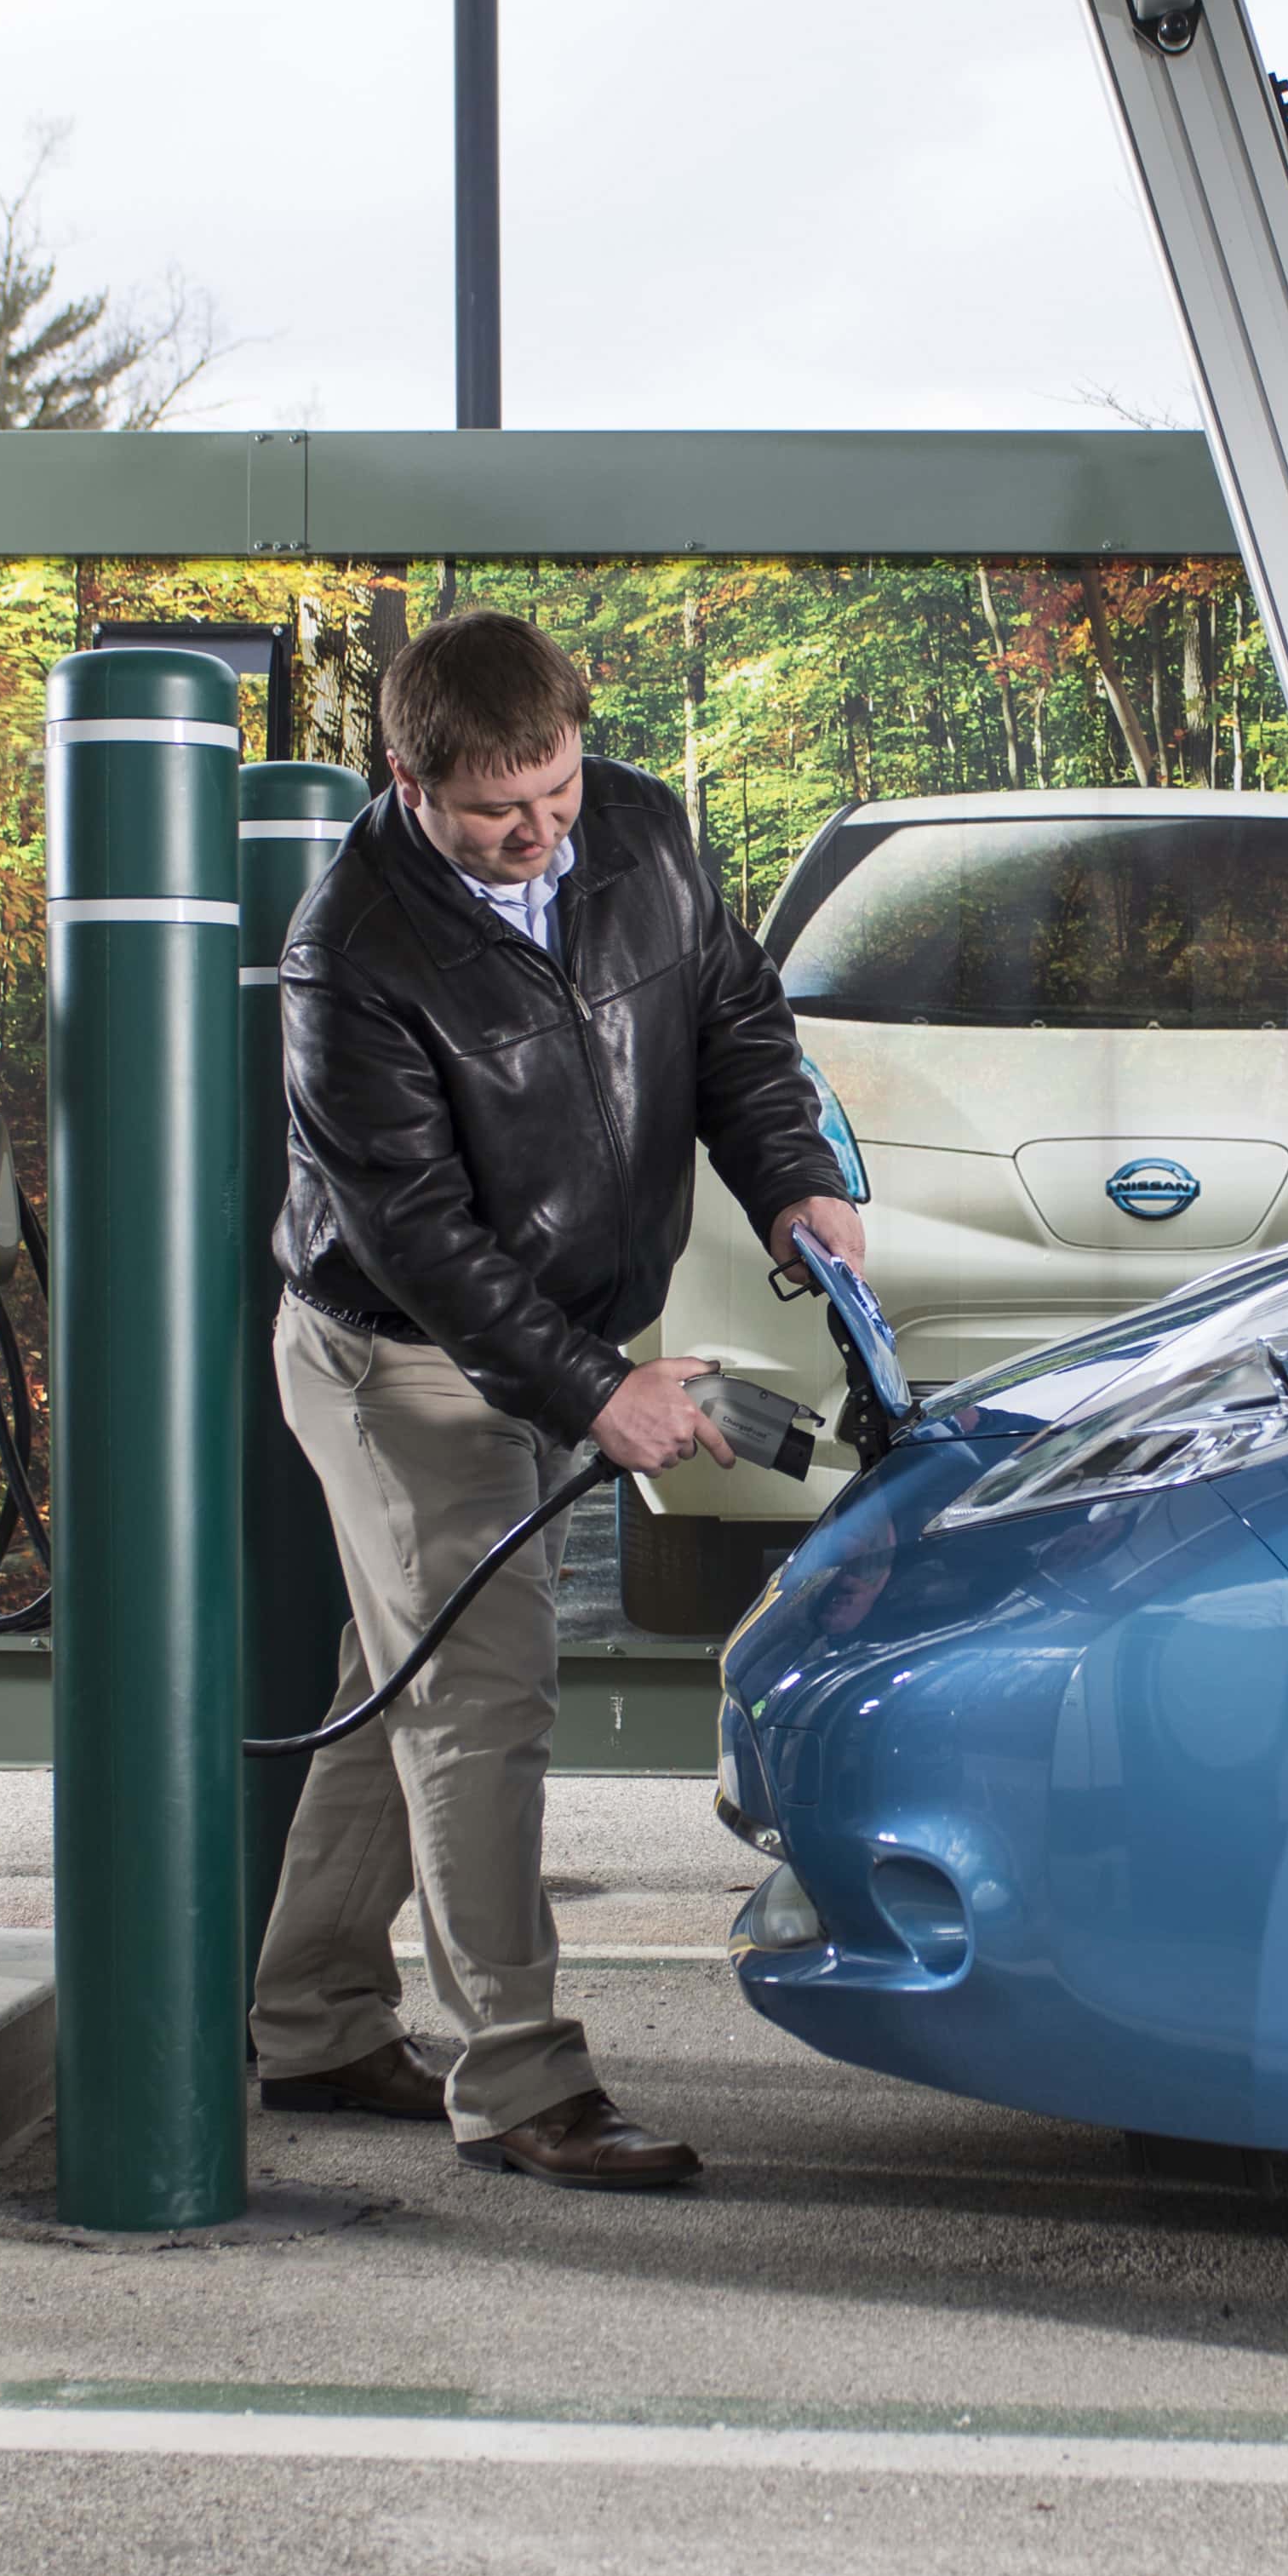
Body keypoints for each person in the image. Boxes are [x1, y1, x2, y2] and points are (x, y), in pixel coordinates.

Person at [250, 606, 860, 2188]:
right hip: (407, 1361)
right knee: (486, 1695)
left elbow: (733, 1018)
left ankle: (309, 2020)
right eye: (495, 813)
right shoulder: (353, 948)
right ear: (407, 778)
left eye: (559, 791)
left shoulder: (641, 830)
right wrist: (600, 1393)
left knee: (406, 1676)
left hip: (571, 1330)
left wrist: (793, 1180)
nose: (538, 835)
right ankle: (518, 2082)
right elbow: (425, 1243)